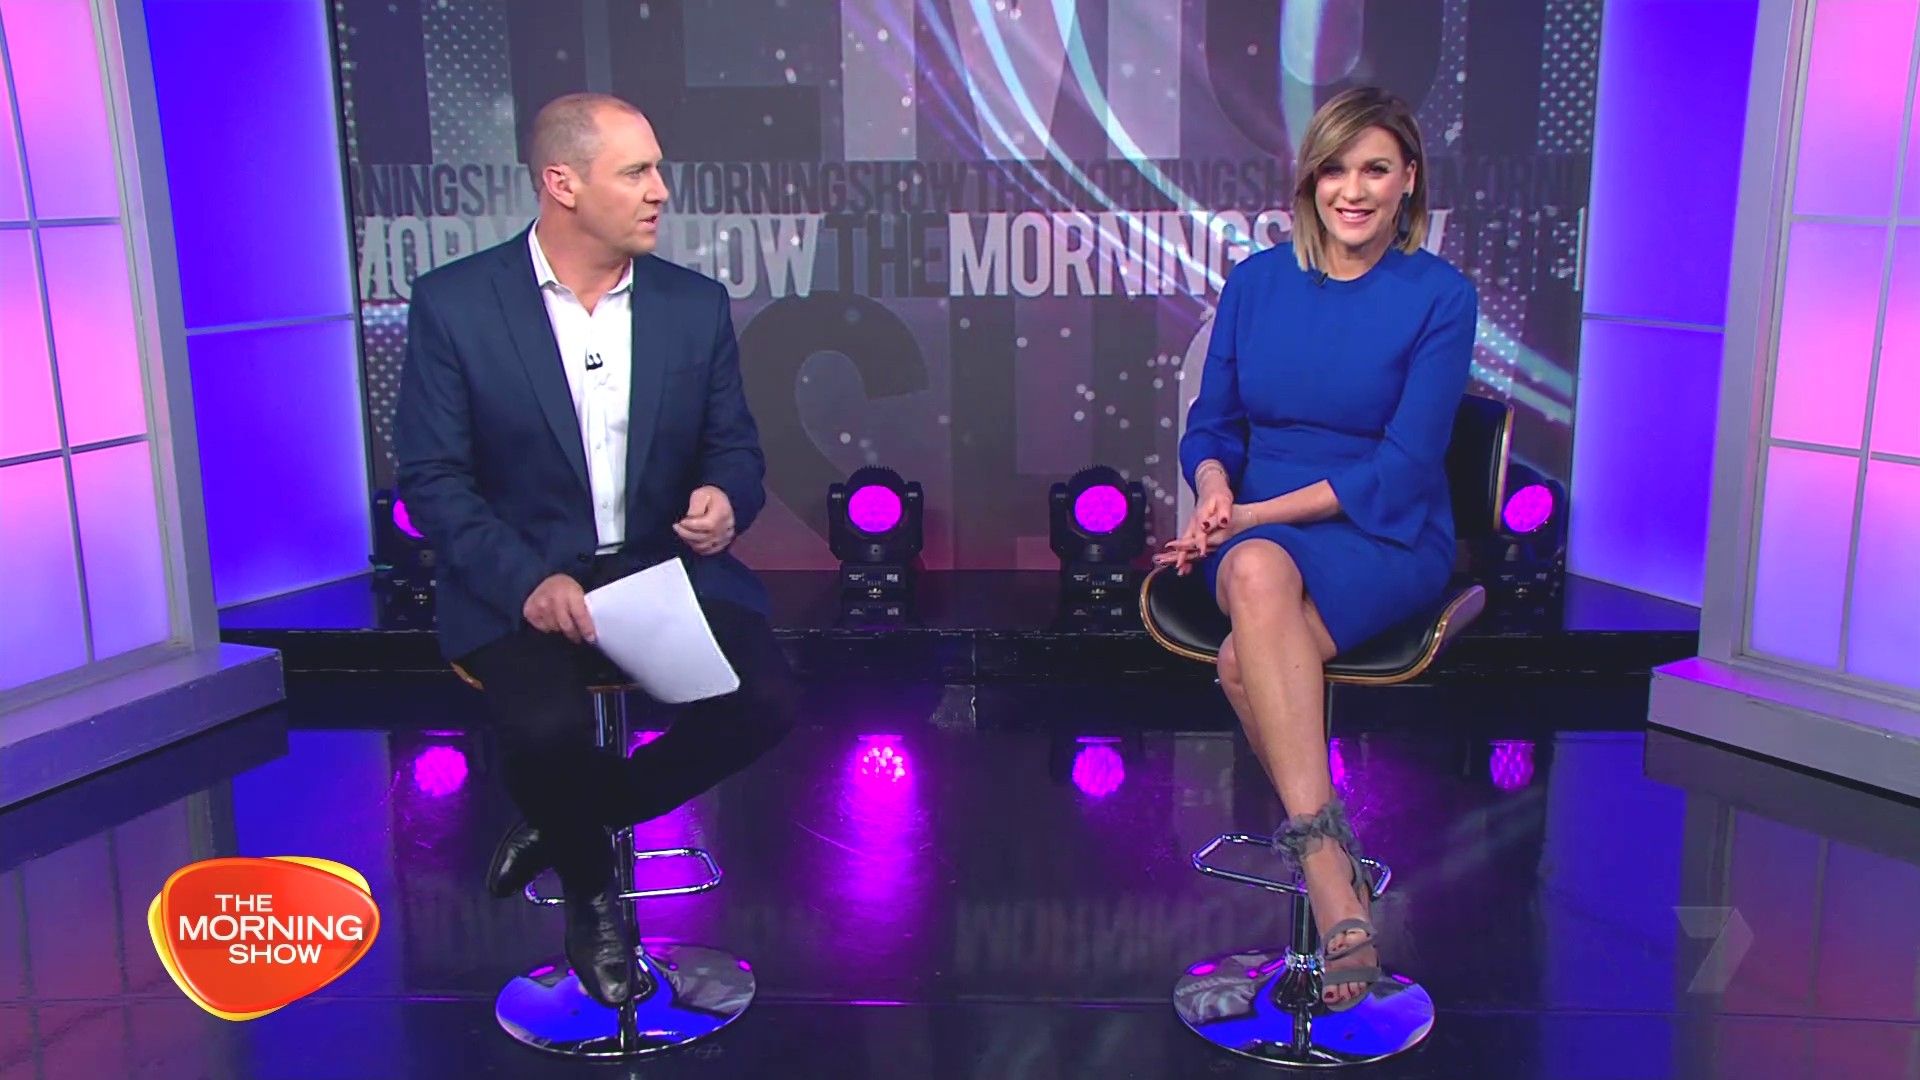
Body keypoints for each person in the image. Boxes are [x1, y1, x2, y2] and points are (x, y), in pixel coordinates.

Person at [394, 92, 794, 1007]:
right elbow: (434, 479)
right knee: (546, 729)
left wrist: (724, 502)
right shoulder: (457, 305)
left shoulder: (692, 305)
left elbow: (736, 452)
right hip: (516, 575)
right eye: (636, 172)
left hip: (658, 571)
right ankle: (591, 898)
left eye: (657, 169)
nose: (661, 191)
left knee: (767, 701)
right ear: (562, 183)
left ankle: (569, 820)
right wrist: (527, 582)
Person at [1157, 87, 1477, 1011]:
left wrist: (1257, 514)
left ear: (1409, 179)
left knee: (1241, 657)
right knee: (1258, 572)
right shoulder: (1258, 283)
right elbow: (1212, 425)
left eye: (1375, 169)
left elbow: (1405, 466)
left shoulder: (1439, 297)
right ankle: (1337, 879)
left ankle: (1328, 878)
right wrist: (1215, 490)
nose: (1353, 190)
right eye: (1335, 169)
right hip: (1257, 537)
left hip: (1383, 528)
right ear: (1308, 180)